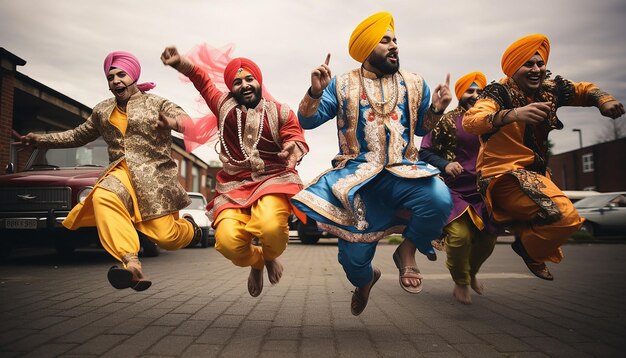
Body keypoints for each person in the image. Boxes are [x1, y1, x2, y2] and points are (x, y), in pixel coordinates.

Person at [291, 11, 453, 315]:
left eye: (395, 40)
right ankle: (365, 281)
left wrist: (436, 110)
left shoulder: (415, 83)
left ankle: (407, 252)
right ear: (367, 49)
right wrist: (315, 91)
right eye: (385, 41)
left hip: (404, 173)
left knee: (440, 199)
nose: (394, 46)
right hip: (357, 181)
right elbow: (308, 120)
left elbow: (422, 129)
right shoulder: (341, 84)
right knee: (353, 261)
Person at [17, 51, 201, 291]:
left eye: (121, 75)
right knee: (103, 196)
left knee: (166, 237)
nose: (115, 81)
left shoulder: (157, 103)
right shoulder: (102, 111)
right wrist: (39, 140)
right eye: (110, 77)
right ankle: (130, 262)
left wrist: (174, 123)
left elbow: (189, 123)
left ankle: (190, 230)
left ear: (133, 76)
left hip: (153, 178)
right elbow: (76, 135)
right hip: (121, 172)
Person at [463, 34, 625, 280]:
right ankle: (527, 246)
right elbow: (471, 121)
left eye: (540, 63)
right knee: (564, 216)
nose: (536, 69)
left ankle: (527, 244)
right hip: (501, 175)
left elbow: (583, 89)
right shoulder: (498, 92)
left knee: (560, 219)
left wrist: (604, 100)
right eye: (529, 64)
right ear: (513, 67)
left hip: (535, 174)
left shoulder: (551, 88)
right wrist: (513, 114)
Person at [160, 45, 308, 297]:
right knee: (227, 242)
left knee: (270, 227)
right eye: (237, 82)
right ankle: (257, 261)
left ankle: (270, 256)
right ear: (231, 88)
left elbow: (293, 133)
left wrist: (292, 146)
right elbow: (202, 81)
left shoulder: (280, 111)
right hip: (233, 184)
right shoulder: (223, 107)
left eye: (249, 79)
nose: (245, 85)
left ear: (259, 81)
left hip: (273, 178)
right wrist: (179, 63)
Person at [419, 72, 498, 305]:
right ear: (459, 93)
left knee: (487, 240)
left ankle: (471, 273)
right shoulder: (446, 120)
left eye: (479, 91)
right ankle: (461, 281)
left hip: (484, 190)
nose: (475, 95)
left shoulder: (493, 122)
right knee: (459, 237)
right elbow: (425, 150)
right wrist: (445, 164)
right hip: (453, 189)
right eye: (469, 91)